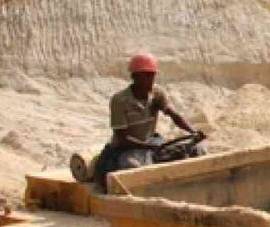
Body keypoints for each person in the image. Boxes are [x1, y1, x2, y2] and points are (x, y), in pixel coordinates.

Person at [82, 53, 206, 184]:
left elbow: (174, 116)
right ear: (135, 77)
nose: (150, 80)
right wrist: (148, 146)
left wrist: (193, 132)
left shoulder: (156, 94)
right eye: (146, 76)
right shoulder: (120, 100)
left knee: (196, 149)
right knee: (136, 169)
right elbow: (122, 138)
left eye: (152, 75)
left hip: (152, 143)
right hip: (128, 149)